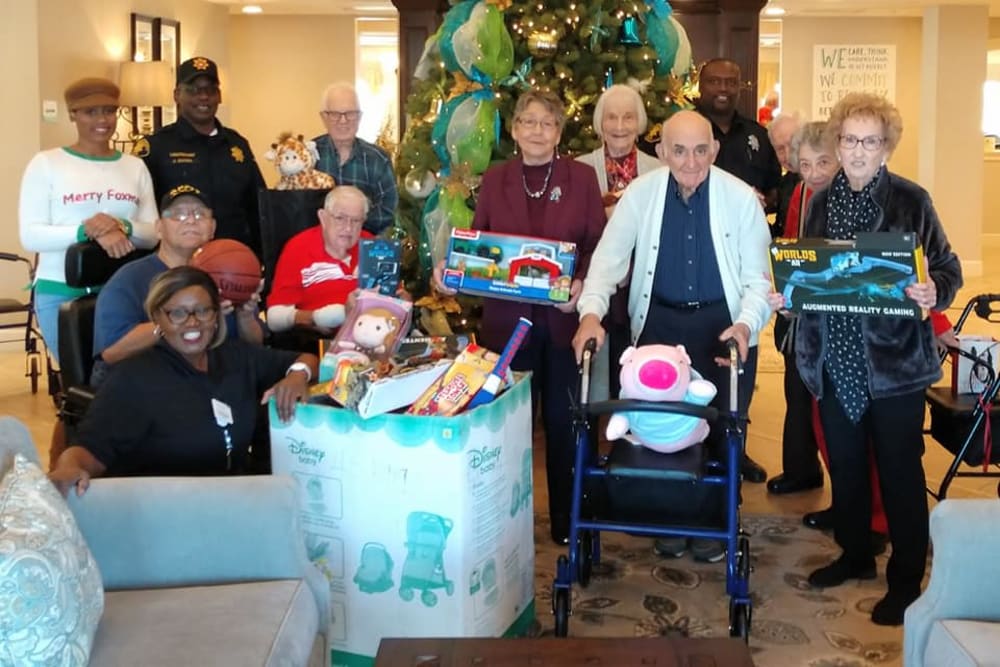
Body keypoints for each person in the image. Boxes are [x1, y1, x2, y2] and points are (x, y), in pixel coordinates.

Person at [791, 92, 962, 626]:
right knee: (844, 464)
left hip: (893, 366)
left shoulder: (911, 200)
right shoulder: (818, 201)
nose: (858, 150)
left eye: (870, 140)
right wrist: (789, 290)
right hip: (833, 356)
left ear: (886, 148)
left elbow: (949, 268)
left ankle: (906, 579)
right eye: (849, 139)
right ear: (837, 144)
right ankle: (856, 553)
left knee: (899, 471)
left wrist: (935, 289)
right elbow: (810, 272)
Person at [572, 110, 772, 562]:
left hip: (722, 327)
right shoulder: (640, 195)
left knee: (722, 429)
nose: (690, 161)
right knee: (659, 431)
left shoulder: (740, 199)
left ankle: (715, 521)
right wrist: (590, 315)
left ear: (714, 151)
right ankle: (671, 516)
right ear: (661, 152)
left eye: (701, 150)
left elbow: (760, 279)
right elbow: (607, 262)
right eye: (679, 150)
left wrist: (745, 325)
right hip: (659, 327)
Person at [434, 89, 606, 546]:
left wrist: (581, 284)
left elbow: (595, 246)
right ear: (513, 129)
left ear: (559, 131)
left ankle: (569, 524)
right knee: (507, 426)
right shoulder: (496, 178)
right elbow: (480, 245)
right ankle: (503, 522)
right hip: (506, 325)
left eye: (546, 123)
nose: (536, 131)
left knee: (566, 424)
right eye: (528, 122)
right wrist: (452, 271)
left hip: (564, 325)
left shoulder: (582, 177)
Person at [49, 266, 318, 495]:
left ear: (216, 316)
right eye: (177, 313)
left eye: (203, 311)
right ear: (158, 319)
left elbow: (306, 358)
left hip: (233, 504)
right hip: (165, 514)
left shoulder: (235, 356)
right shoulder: (133, 379)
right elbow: (87, 450)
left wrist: (297, 376)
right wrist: (69, 469)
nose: (192, 323)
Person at [19, 77, 158, 363]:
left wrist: (123, 226)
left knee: (124, 379)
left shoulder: (135, 166)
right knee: (79, 382)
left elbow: (153, 233)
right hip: (61, 292)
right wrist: (86, 230)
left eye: (108, 110)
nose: (102, 119)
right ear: (73, 114)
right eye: (90, 111)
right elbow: (31, 235)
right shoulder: (47, 163)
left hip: (123, 290)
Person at [91, 185, 264, 386]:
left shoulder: (230, 272)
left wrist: (244, 315)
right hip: (150, 382)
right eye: (178, 215)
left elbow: (254, 345)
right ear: (158, 228)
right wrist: (173, 324)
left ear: (213, 228)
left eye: (200, 214)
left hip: (217, 378)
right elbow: (112, 352)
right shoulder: (129, 278)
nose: (191, 220)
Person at [576, 84, 661, 398]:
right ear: (600, 123)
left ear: (639, 122)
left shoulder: (659, 169)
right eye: (611, 117)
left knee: (635, 360)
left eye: (628, 117)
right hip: (595, 277)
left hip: (642, 281)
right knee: (597, 364)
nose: (620, 126)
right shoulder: (580, 168)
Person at [135, 57, 266, 256]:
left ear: (219, 96)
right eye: (193, 90)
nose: (203, 96)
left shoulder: (237, 144)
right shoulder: (156, 146)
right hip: (179, 261)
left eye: (211, 90)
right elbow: (144, 214)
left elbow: (257, 207)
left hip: (234, 259)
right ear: (177, 95)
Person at [767, 121, 834, 496]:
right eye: (805, 165)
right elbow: (793, 247)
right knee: (798, 393)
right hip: (802, 316)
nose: (813, 173)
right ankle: (801, 470)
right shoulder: (800, 193)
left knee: (831, 412)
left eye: (822, 163)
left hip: (836, 319)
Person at [266, 185, 375, 351]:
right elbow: (274, 318)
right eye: (340, 218)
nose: (348, 228)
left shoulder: (372, 245)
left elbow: (390, 298)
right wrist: (315, 317)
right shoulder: (298, 248)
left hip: (372, 340)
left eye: (356, 221)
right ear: (323, 217)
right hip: (320, 345)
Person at [694, 58, 782, 218]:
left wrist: (760, 201)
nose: (723, 88)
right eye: (714, 81)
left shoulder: (759, 135)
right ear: (700, 86)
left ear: (739, 88)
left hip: (749, 230)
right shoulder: (682, 132)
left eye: (731, 83)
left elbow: (774, 190)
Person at [313, 83, 397, 235]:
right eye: (335, 114)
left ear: (359, 117)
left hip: (363, 243)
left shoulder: (378, 160)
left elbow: (389, 212)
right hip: (317, 246)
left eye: (350, 114)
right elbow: (296, 209)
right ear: (324, 117)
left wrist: (353, 222)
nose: (343, 121)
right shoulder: (308, 155)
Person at [767, 113, 803, 240]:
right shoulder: (785, 183)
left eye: (793, 145)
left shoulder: (824, 181)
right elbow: (781, 234)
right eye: (780, 149)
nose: (788, 155)